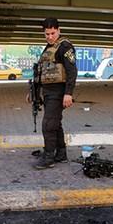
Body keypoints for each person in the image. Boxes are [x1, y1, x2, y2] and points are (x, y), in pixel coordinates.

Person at [30, 17, 78, 169]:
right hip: (48, 92)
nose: (50, 37)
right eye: (46, 34)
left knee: (48, 124)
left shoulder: (65, 47)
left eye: (52, 33)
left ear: (59, 30)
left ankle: (49, 156)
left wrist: (68, 93)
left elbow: (72, 71)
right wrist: (33, 92)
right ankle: (61, 154)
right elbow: (40, 72)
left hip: (58, 92)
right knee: (55, 123)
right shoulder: (48, 49)